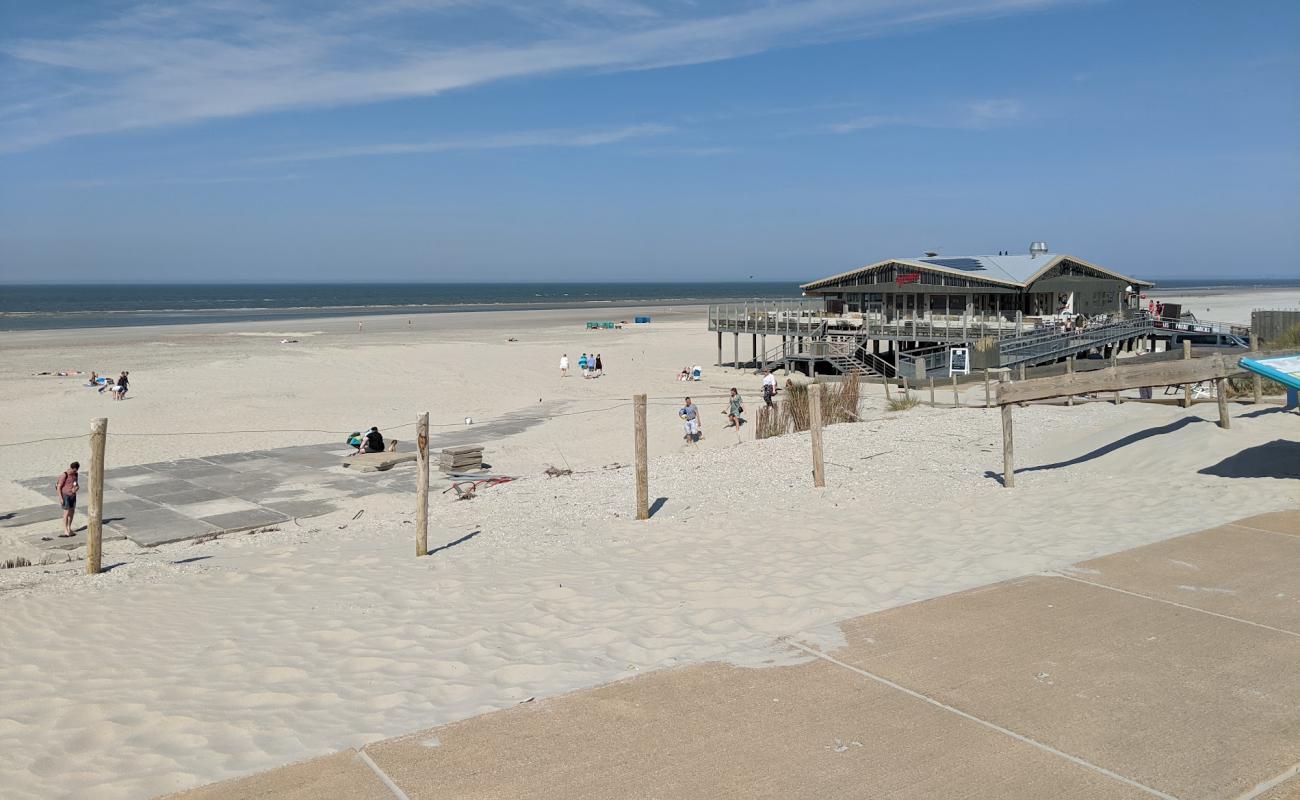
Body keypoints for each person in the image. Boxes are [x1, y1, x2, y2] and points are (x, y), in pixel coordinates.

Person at [56, 462, 79, 538]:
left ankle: (69, 528)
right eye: (74, 470)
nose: (75, 472)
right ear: (71, 468)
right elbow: (59, 487)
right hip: (65, 495)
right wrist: (60, 498)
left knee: (72, 511)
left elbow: (77, 485)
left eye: (76, 471)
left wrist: (76, 488)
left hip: (73, 495)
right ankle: (65, 529)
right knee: (66, 512)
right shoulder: (64, 475)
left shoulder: (75, 474)